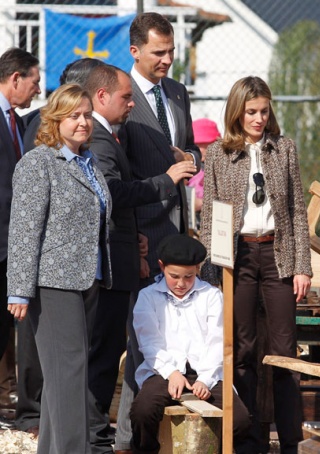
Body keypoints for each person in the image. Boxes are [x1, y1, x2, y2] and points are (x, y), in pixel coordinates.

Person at [85, 63, 197, 453]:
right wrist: (166, 181)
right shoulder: (100, 139)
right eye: (126, 97)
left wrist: (135, 239)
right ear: (102, 96)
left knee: (109, 349)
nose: (133, 104)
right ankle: (94, 437)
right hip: (109, 266)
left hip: (126, 252)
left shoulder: (109, 135)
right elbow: (114, 194)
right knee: (102, 354)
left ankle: (98, 435)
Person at [200, 76, 312, 453]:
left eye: (264, 111)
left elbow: (297, 211)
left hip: (277, 253)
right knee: (242, 348)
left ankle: (291, 440)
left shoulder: (284, 149)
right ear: (237, 111)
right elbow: (211, 216)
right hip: (238, 256)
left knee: (284, 350)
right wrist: (212, 272)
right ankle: (248, 438)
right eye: (251, 111)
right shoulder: (218, 152)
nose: (259, 118)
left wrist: (302, 266)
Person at [7, 83, 112, 453]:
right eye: (74, 116)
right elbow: (23, 229)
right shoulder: (38, 163)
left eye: (86, 115)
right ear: (55, 119)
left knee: (63, 377)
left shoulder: (89, 161)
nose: (83, 122)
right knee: (69, 374)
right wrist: (19, 289)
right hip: (53, 284)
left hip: (89, 280)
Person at [116, 13, 202, 452]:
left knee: (176, 341)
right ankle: (130, 439)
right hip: (144, 237)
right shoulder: (123, 101)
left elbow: (190, 153)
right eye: (158, 53)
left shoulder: (177, 92)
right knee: (143, 342)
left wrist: (189, 157)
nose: (168, 59)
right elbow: (121, 177)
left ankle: (158, 437)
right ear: (135, 51)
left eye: (171, 51)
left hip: (176, 233)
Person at [130, 234, 251, 453]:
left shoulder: (212, 296)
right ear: (161, 267)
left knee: (240, 420)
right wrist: (172, 373)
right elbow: (149, 343)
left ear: (197, 269)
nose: (181, 283)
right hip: (163, 372)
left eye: (188, 276)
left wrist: (205, 380)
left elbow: (218, 342)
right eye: (174, 276)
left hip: (208, 373)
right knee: (143, 411)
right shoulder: (147, 296)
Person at [0, 47, 40, 423]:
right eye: (34, 82)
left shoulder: (20, 122)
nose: (37, 91)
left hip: (13, 244)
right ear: (16, 79)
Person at [187, 118, 221, 215]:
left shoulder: (222, 165)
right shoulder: (189, 164)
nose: (200, 150)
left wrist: (202, 203)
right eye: (197, 145)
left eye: (205, 145)